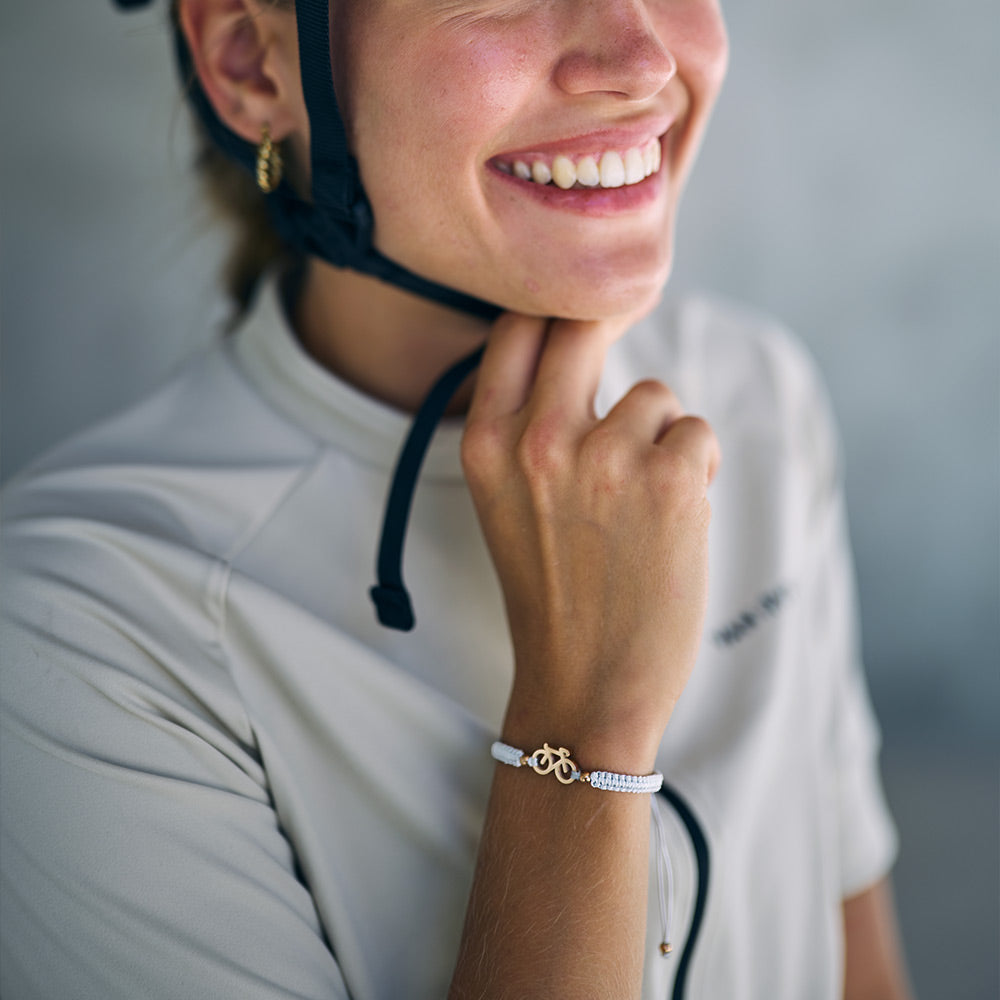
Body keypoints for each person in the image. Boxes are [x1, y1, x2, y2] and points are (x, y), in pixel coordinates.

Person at [0, 1, 914, 997]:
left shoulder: (754, 394)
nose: (642, 59)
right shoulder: (81, 626)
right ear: (250, 61)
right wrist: (582, 724)